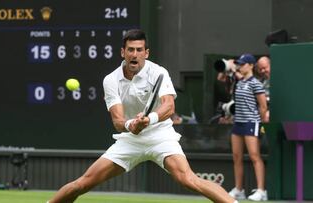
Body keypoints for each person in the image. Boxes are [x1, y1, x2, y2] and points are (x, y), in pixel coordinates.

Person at [48, 29, 237, 203]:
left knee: (188, 179)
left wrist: (150, 119)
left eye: (139, 50)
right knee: (83, 183)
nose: (134, 54)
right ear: (123, 52)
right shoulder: (111, 80)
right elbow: (117, 121)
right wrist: (132, 125)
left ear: (146, 53)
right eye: (130, 50)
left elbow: (169, 106)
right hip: (130, 140)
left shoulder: (158, 72)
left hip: (160, 135)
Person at [228, 54, 269, 201]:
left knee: (254, 156)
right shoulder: (239, 83)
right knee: (237, 157)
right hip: (238, 123)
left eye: (243, 64)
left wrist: (261, 122)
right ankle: (239, 190)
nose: (240, 66)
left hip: (252, 123)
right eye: (239, 64)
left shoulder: (256, 83)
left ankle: (261, 191)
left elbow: (263, 106)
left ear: (251, 65)